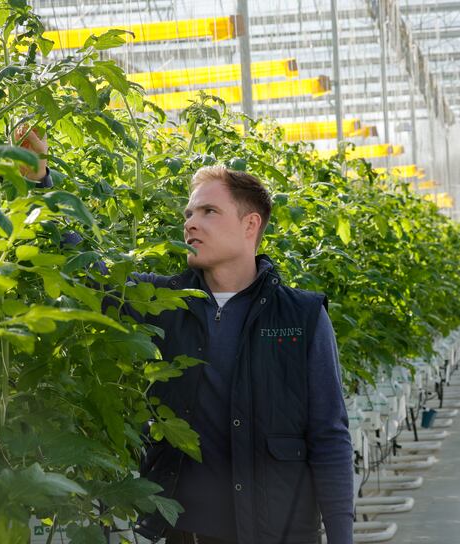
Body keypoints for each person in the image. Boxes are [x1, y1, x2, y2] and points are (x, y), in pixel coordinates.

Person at [126, 166, 354, 544]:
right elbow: (92, 277)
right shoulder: (166, 302)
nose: (190, 224)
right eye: (188, 214)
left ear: (250, 225)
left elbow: (329, 435)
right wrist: (41, 180)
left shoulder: (302, 316)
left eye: (208, 212)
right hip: (189, 535)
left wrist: (342, 535)